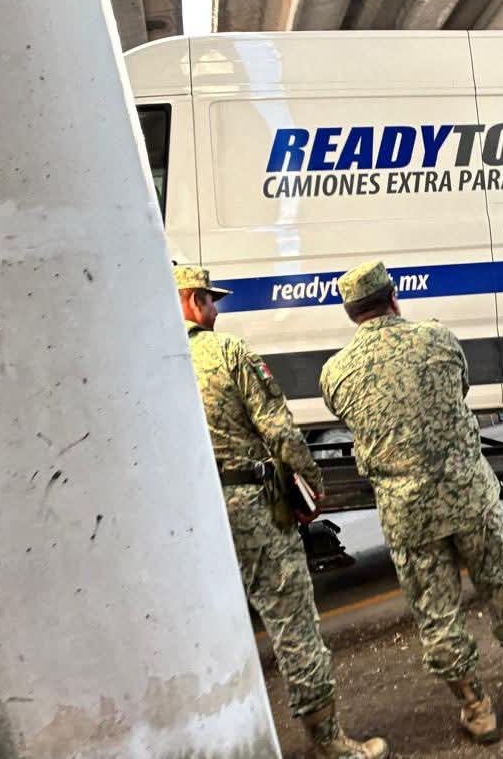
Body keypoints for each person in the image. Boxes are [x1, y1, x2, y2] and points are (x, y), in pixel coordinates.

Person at [319, 261, 503, 745]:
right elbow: (461, 390)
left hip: (408, 512)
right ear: (394, 298)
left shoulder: (336, 373)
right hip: (470, 495)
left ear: (351, 314)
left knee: (437, 615)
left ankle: (478, 710)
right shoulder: (438, 339)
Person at [175, 265, 388, 759]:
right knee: (292, 622)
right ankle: (327, 740)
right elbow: (281, 432)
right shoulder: (227, 352)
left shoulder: (150, 361)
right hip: (250, 507)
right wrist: (311, 488)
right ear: (192, 302)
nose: (215, 309)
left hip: (191, 516)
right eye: (210, 300)